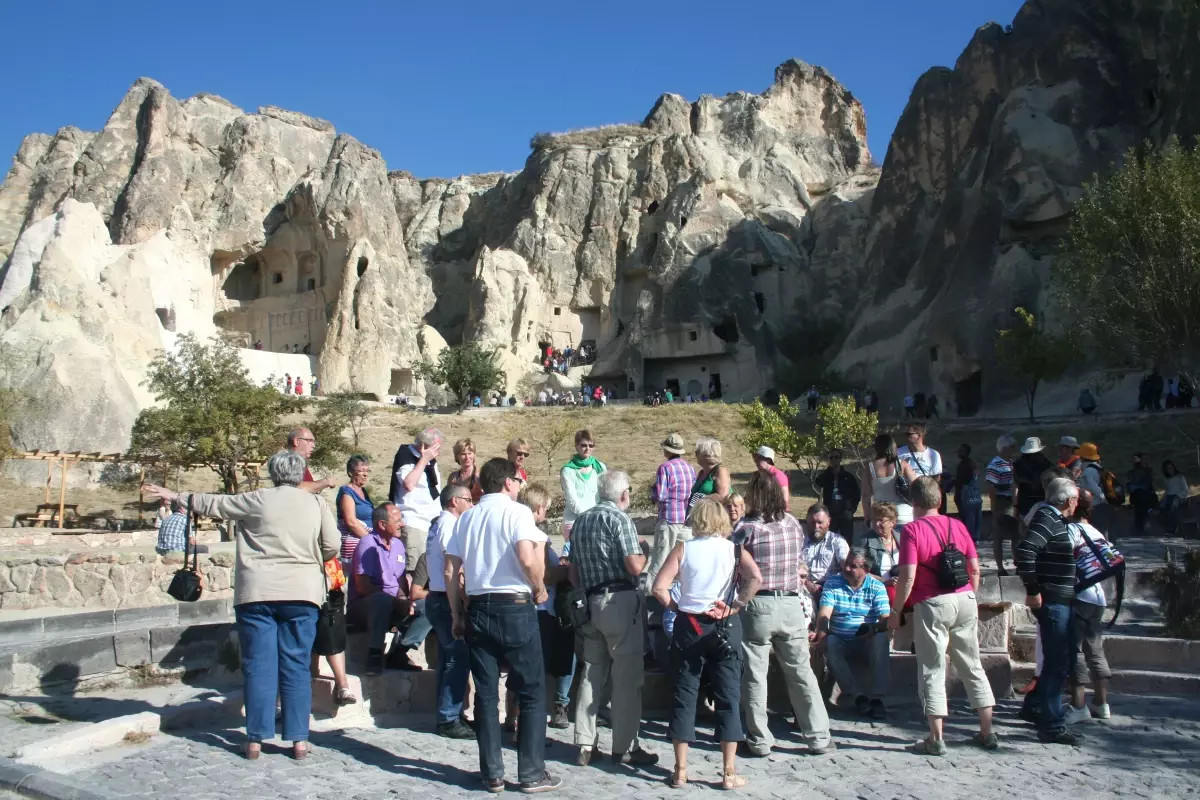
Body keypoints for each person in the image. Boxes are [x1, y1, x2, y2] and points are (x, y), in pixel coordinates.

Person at [141, 450, 339, 760]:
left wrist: (175, 494)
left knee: (258, 667)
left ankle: (255, 741)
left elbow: (215, 503)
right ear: (301, 474)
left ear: (273, 473)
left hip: (257, 592)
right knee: (297, 665)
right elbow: (332, 545)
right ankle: (299, 740)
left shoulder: (257, 498)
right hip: (302, 594)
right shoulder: (316, 503)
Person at [445, 459, 557, 793]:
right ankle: (531, 772)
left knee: (485, 693)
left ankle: (492, 772)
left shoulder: (467, 517)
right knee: (532, 689)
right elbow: (526, 557)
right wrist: (538, 587)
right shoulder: (517, 512)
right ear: (508, 482)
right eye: (519, 479)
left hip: (478, 607)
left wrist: (456, 614)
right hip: (515, 606)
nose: (522, 484)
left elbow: (451, 570)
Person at [652, 498, 763, 790]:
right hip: (724, 623)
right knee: (728, 694)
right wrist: (736, 605)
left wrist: (677, 606)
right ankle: (728, 772)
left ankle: (680, 769)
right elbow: (755, 578)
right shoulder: (735, 550)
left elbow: (658, 587)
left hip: (690, 625)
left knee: (684, 693)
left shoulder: (684, 548)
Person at [889, 476, 997, 754]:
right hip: (965, 599)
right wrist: (969, 596)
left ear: (913, 502)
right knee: (972, 664)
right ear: (939, 500)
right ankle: (987, 731)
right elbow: (974, 569)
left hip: (932, 603)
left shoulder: (912, 531)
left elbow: (908, 576)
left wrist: (897, 610)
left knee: (932, 668)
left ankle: (935, 738)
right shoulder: (958, 526)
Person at [738, 473, 834, 757]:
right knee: (801, 672)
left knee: (755, 675)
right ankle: (818, 735)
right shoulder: (793, 524)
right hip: (791, 603)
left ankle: (759, 740)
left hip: (758, 603)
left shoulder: (747, 528)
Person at [568, 471, 656, 766]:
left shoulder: (581, 521)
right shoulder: (619, 519)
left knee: (591, 673)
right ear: (622, 494)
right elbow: (633, 566)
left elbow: (573, 572)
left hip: (590, 601)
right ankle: (625, 745)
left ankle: (584, 743)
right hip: (619, 601)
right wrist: (645, 552)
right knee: (626, 677)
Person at [1015, 477, 1083, 745]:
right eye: (1076, 498)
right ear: (1067, 500)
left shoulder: (1054, 520)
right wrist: (1033, 590)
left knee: (1059, 661)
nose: (1077, 503)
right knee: (1057, 663)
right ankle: (1052, 724)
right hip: (1054, 602)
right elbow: (1026, 550)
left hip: (1060, 600)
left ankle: (1034, 707)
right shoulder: (1048, 518)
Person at [518, 484, 576, 734]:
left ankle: (519, 720)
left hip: (532, 608)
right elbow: (544, 575)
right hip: (541, 610)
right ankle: (531, 724)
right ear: (539, 507)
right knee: (538, 668)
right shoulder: (535, 536)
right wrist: (568, 569)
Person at [347, 503, 431, 675]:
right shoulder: (367, 544)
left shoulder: (399, 545)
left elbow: (400, 584)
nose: (403, 524)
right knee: (382, 600)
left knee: (431, 605)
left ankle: (399, 652)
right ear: (382, 525)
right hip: (365, 607)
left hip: (392, 604)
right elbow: (363, 587)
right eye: (398, 520)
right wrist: (394, 601)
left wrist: (403, 600)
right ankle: (374, 655)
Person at [424, 484, 476, 739]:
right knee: (458, 658)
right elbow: (451, 568)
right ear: (454, 501)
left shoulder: (438, 524)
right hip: (445, 599)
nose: (471, 504)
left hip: (438, 597)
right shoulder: (448, 525)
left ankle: (451, 714)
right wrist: (459, 606)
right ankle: (448, 717)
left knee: (448, 660)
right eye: (468, 499)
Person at [817, 548, 891, 718]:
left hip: (867, 638)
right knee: (832, 642)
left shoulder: (876, 587)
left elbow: (885, 618)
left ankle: (877, 698)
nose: (847, 569)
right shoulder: (833, 583)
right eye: (847, 564)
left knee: (881, 639)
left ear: (866, 570)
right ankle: (858, 696)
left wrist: (873, 629)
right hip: (840, 637)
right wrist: (822, 632)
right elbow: (824, 614)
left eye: (853, 566)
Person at [1063, 491, 1113, 725]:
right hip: (1098, 598)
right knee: (1095, 649)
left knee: (1075, 651)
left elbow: (1065, 560)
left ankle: (1078, 705)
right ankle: (1102, 703)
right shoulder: (1095, 531)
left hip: (1080, 596)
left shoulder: (1072, 530)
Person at [390, 428, 444, 572]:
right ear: (423, 446)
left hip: (431, 525)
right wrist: (424, 459)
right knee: (414, 571)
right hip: (414, 523)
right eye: (435, 448)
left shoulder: (431, 461)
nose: (437, 452)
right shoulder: (406, 456)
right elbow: (409, 484)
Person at [647, 433, 697, 587]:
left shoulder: (665, 468)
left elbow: (661, 495)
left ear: (667, 451)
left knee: (660, 558)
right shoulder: (690, 468)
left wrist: (652, 493)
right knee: (682, 561)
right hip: (685, 519)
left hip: (668, 518)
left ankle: (652, 591)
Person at [560, 429, 606, 543]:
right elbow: (572, 501)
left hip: (596, 521)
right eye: (583, 445)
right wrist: (590, 517)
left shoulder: (600, 467)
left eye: (591, 445)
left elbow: (605, 494)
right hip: (574, 522)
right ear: (576, 446)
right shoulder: (568, 470)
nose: (588, 448)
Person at [863, 434, 918, 529]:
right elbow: (918, 486)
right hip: (903, 514)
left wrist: (867, 516)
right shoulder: (902, 464)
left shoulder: (870, 468)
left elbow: (865, 495)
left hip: (880, 515)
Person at [986, 436, 1019, 575]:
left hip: (1013, 501)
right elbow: (990, 487)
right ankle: (1000, 567)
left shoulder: (1013, 463)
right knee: (998, 536)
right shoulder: (995, 464)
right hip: (1001, 502)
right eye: (1012, 447)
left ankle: (1017, 563)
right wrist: (994, 506)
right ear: (1004, 448)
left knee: (1016, 535)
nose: (1014, 450)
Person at [802, 504, 850, 595]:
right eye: (813, 522)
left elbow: (846, 564)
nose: (816, 526)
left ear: (828, 522)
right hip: (804, 587)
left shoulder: (837, 541)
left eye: (820, 522)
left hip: (832, 590)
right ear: (807, 521)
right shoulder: (799, 542)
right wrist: (808, 584)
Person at [815, 449, 861, 543]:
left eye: (836, 457)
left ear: (840, 459)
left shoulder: (848, 477)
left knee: (846, 541)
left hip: (845, 513)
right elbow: (818, 482)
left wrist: (851, 509)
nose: (834, 460)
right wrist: (829, 470)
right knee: (828, 540)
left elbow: (857, 494)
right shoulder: (827, 475)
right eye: (831, 457)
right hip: (831, 512)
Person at [336, 455, 373, 564]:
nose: (365, 474)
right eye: (361, 471)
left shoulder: (363, 491)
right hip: (355, 544)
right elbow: (351, 522)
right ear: (351, 472)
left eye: (367, 471)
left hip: (364, 541)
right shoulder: (347, 492)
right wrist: (372, 540)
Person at [864, 502, 901, 603]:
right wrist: (885, 581)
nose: (876, 524)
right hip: (878, 589)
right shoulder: (865, 541)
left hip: (902, 585)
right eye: (874, 520)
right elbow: (861, 571)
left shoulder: (902, 539)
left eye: (881, 520)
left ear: (892, 522)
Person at [1014, 437, 1053, 530]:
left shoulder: (1018, 464)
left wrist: (1015, 505)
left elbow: (1016, 486)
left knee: (1026, 530)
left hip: (1025, 502)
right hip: (1041, 500)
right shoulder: (1046, 463)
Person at [1078, 442, 1114, 535]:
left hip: (1096, 506)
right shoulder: (1097, 467)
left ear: (1083, 457)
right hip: (1102, 505)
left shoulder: (1087, 471)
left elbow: (1094, 488)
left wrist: (1104, 500)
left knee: (1098, 533)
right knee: (1103, 532)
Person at [286, 428, 338, 493]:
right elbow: (292, 487)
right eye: (309, 440)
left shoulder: (299, 462)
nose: (313, 445)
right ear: (297, 441)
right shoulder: (288, 462)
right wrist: (326, 482)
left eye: (313, 442)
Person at [898, 422, 943, 493]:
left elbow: (936, 478)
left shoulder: (934, 454)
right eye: (906, 434)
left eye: (909, 434)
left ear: (920, 435)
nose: (906, 436)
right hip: (905, 492)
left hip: (924, 492)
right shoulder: (898, 452)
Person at [954, 444, 983, 541]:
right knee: (975, 520)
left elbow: (962, 481)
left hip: (967, 497)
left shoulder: (966, 465)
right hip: (975, 496)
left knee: (968, 520)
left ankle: (969, 541)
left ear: (966, 452)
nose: (958, 451)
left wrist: (950, 482)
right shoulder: (971, 464)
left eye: (960, 450)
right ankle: (974, 540)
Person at [691, 437, 731, 504]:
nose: (695, 453)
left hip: (716, 513)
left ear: (707, 454)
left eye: (698, 451)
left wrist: (702, 498)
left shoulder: (720, 471)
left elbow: (723, 497)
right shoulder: (701, 472)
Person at [751, 445, 791, 511]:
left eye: (758, 459)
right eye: (755, 459)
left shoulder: (779, 475)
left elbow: (784, 500)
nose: (756, 461)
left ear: (768, 459)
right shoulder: (758, 475)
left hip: (776, 514)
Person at [1127, 453, 1157, 534]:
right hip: (1137, 495)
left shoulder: (1148, 470)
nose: (1145, 461)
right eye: (1143, 459)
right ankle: (1141, 525)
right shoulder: (1132, 472)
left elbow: (1150, 483)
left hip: (1147, 494)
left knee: (1143, 501)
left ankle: (1142, 524)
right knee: (1140, 500)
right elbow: (1129, 485)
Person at [447, 438, 483, 503]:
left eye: (470, 453)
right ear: (457, 456)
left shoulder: (481, 475)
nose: (467, 457)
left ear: (474, 455)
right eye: (463, 454)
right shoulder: (452, 477)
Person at [1161, 460, 1189, 534]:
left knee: (1173, 506)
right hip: (1169, 495)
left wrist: (1179, 496)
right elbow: (1167, 490)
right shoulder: (1167, 479)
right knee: (1162, 506)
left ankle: (1173, 526)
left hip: (1179, 496)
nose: (1170, 470)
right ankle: (1166, 526)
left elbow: (1185, 489)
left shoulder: (1180, 477)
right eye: (1167, 468)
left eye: (1170, 467)